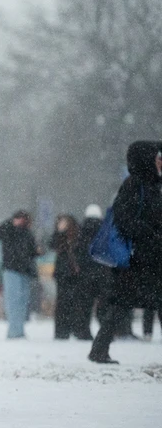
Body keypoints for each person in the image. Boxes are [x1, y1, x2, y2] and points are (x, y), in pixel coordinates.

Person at [89, 141, 162, 364]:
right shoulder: (134, 185)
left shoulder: (156, 186)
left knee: (130, 303)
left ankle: (99, 350)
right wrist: (150, 233)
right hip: (137, 260)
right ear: (147, 160)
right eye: (158, 158)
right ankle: (99, 350)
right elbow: (123, 219)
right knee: (121, 304)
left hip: (154, 258)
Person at [0, 210, 41, 339]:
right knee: (13, 301)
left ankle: (19, 330)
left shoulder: (27, 234)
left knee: (22, 302)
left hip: (25, 271)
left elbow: (33, 251)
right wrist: (10, 223)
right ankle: (14, 331)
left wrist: (38, 251)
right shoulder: (8, 231)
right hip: (11, 270)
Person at [49, 214, 92, 340]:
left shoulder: (79, 236)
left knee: (77, 303)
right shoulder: (59, 236)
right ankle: (62, 332)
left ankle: (78, 330)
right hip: (62, 274)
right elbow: (52, 244)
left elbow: (83, 251)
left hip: (76, 273)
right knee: (62, 304)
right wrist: (60, 232)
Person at [77, 204, 112, 335]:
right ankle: (105, 332)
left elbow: (79, 251)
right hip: (102, 271)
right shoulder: (105, 229)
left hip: (86, 272)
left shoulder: (81, 230)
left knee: (85, 304)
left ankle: (83, 331)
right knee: (103, 304)